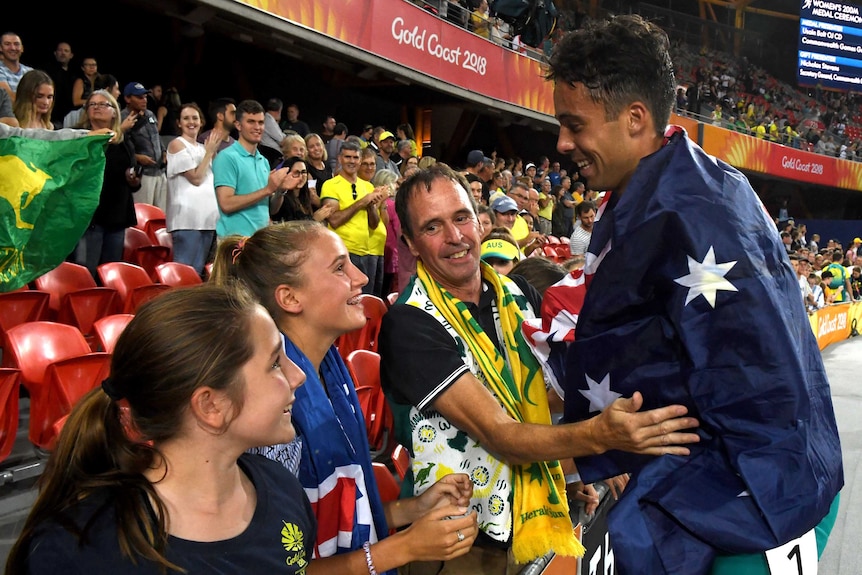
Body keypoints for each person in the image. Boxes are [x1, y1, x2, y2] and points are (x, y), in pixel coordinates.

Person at [544, 14, 842, 575]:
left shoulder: (680, 213)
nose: (562, 143)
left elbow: (739, 373)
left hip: (751, 498)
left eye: (574, 125)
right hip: (772, 478)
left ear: (634, 119)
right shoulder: (691, 184)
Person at [379, 163, 700, 573]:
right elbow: (501, 434)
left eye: (461, 218)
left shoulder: (517, 294)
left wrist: (570, 472)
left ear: (479, 220)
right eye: (433, 227)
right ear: (410, 242)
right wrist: (597, 440)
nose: (455, 237)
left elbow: (541, 396)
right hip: (461, 543)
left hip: (531, 517)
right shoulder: (409, 323)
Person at [210, 222, 479, 573]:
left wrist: (415, 508)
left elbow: (338, 512)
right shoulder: (269, 404)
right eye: (340, 267)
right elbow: (276, 567)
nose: (361, 278)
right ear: (290, 297)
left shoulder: (331, 368)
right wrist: (403, 548)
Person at [5, 284, 316, 573]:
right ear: (211, 406)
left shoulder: (282, 488)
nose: (298, 375)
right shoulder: (81, 552)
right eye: (275, 362)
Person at [73, 89, 140, 279]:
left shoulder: (123, 141)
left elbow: (133, 178)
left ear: (114, 112)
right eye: (92, 104)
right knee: (87, 272)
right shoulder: (80, 138)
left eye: (103, 104)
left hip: (116, 216)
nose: (96, 108)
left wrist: (133, 180)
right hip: (90, 217)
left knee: (110, 273)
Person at [212, 99, 290, 239]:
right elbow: (226, 204)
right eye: (251, 121)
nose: (257, 127)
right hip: (234, 244)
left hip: (259, 243)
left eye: (260, 122)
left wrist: (279, 190)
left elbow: (271, 209)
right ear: (238, 125)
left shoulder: (263, 162)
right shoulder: (227, 158)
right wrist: (267, 190)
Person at [320, 141, 387, 293]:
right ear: (339, 158)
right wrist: (362, 202)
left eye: (355, 157)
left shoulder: (368, 187)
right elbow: (334, 220)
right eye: (347, 157)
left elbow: (374, 224)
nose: (351, 161)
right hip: (343, 252)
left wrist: (371, 206)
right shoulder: (331, 185)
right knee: (346, 299)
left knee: (366, 302)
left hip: (366, 252)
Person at [165, 102, 221, 276]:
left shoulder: (204, 148)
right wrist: (209, 153)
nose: (191, 122)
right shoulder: (177, 144)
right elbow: (196, 178)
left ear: (201, 122)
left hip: (207, 220)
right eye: (186, 118)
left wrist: (212, 153)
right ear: (179, 123)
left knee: (197, 274)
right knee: (184, 273)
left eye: (195, 118)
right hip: (187, 221)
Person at [122, 81, 167, 210]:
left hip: (160, 171)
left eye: (145, 97)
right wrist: (137, 157)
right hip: (142, 175)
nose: (144, 100)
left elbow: (156, 137)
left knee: (161, 215)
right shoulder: (122, 118)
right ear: (127, 99)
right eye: (140, 97)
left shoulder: (150, 114)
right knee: (143, 213)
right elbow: (120, 147)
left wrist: (163, 151)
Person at [269, 155, 334, 223]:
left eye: (303, 172)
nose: (301, 177)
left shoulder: (305, 196)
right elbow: (291, 229)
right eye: (296, 173)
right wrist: (314, 219)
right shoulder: (282, 198)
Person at [46, 41, 75, 127]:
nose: (63, 53)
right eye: (60, 50)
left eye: (66, 51)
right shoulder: (47, 70)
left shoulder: (74, 74)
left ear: (71, 55)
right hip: (51, 114)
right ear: (55, 53)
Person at [0, 32, 33, 102]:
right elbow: (8, 98)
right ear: (0, 48)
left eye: (16, 44)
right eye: (7, 44)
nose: (13, 48)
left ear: (22, 48)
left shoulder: (30, 72)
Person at [259, 97, 285, 168]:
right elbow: (282, 140)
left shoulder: (271, 119)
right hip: (271, 156)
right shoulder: (268, 120)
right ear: (279, 110)